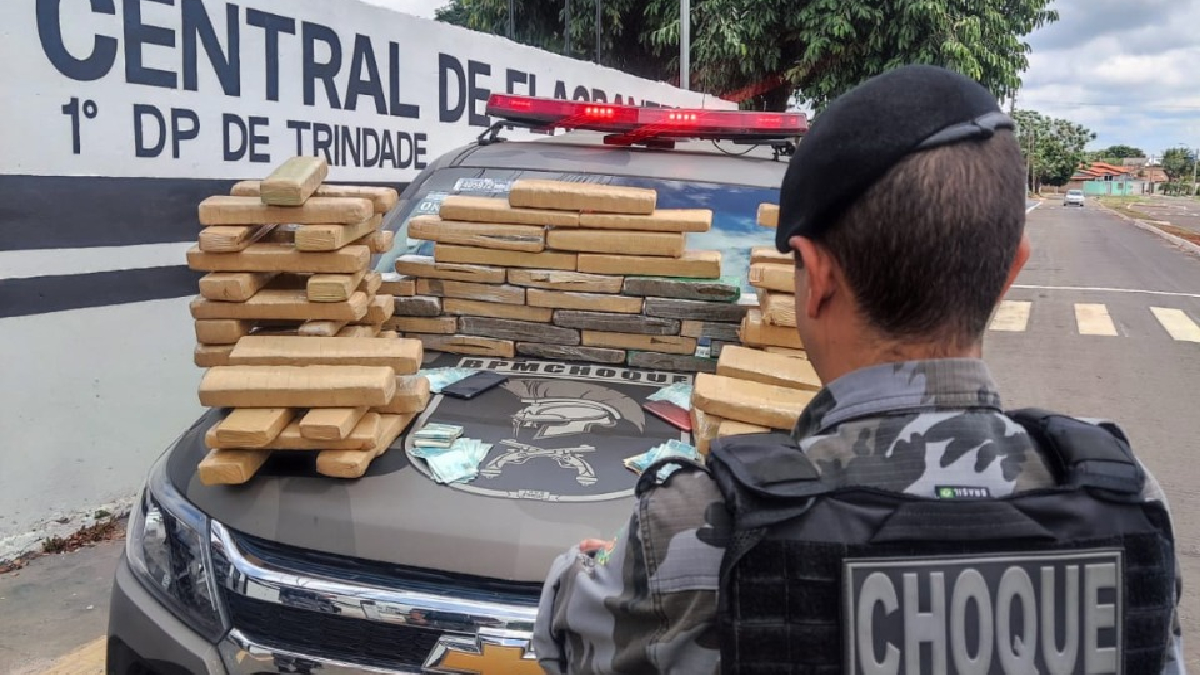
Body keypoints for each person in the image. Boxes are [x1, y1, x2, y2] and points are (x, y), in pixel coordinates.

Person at [530, 64, 1186, 674]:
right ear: (1012, 270)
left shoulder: (696, 527)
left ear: (817, 278)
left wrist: (592, 564)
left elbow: (564, 638)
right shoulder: (1125, 502)